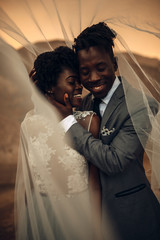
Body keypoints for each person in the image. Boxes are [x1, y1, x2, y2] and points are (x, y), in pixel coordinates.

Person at [52, 22, 160, 240]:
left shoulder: (141, 105)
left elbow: (115, 161)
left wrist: (67, 122)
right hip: (90, 216)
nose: (93, 78)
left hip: (131, 216)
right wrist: (40, 86)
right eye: (85, 71)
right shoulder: (85, 102)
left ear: (115, 63)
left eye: (100, 68)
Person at [15, 46, 102, 240]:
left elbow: (95, 184)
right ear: (50, 87)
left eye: (79, 81)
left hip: (79, 216)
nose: (80, 86)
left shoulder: (89, 122)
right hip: (40, 216)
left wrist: (96, 228)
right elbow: (28, 185)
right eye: (72, 82)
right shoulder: (29, 125)